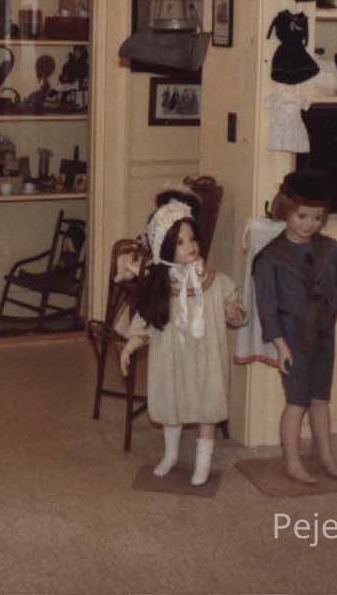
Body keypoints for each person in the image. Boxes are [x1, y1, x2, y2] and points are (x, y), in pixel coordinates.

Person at [119, 200, 246, 486]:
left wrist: (234, 311)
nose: (190, 246)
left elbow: (232, 302)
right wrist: (131, 344)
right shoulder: (162, 288)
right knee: (171, 403)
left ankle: (203, 461)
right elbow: (147, 320)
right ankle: (171, 454)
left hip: (206, 358)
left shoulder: (215, 282)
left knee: (207, 406)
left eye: (192, 239)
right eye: (179, 242)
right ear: (165, 249)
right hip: (171, 358)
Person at [252, 170, 337, 484]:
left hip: (324, 334)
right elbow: (267, 307)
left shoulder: (331, 248)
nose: (309, 224)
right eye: (301, 216)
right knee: (297, 401)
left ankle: (325, 455)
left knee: (321, 399)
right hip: (293, 339)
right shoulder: (270, 258)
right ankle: (292, 460)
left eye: (317, 218)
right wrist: (280, 346)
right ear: (286, 210)